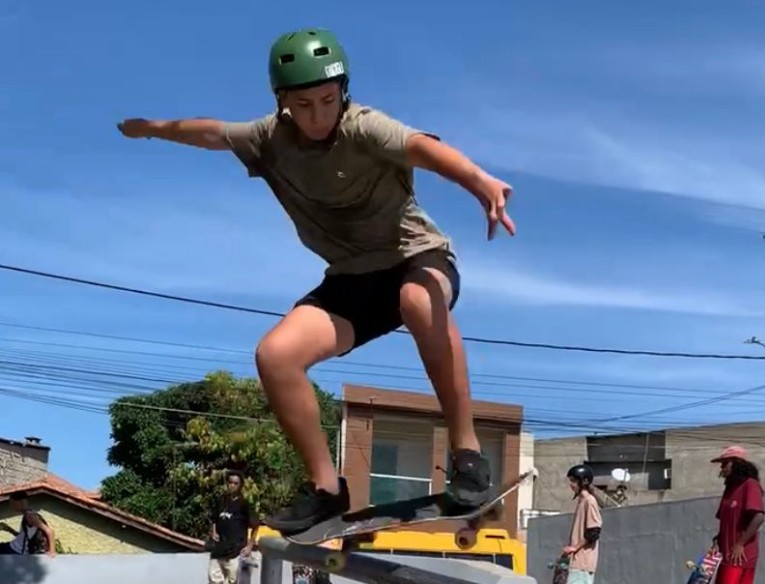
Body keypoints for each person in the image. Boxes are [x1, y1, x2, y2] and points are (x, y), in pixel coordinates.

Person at [117, 27, 515, 535]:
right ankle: (326, 489)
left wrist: (478, 181)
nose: (318, 115)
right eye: (304, 105)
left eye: (328, 100)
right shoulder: (268, 138)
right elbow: (213, 133)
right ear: (282, 102)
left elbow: (422, 149)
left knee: (417, 301)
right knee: (275, 355)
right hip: (352, 280)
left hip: (418, 259)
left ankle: (466, 453)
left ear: (342, 93)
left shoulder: (365, 126)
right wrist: (154, 128)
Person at [710, 446, 765, 584]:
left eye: (725, 463)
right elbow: (727, 524)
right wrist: (717, 541)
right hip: (727, 555)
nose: (722, 468)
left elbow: (758, 517)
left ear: (737, 463)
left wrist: (740, 544)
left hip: (740, 556)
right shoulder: (729, 490)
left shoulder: (750, 485)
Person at [207, 470, 258, 584]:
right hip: (218, 550)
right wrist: (214, 532)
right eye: (230, 482)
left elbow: (255, 526)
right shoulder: (221, 501)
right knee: (213, 579)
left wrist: (250, 545)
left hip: (235, 551)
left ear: (240, 486)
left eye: (236, 483)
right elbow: (214, 519)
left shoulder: (244, 504)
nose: (232, 485)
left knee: (232, 581)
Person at [561, 465, 602, 584]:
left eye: (574, 481)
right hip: (576, 563)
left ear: (583, 481)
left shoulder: (589, 501)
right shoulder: (582, 501)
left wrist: (574, 547)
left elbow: (594, 531)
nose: (571, 485)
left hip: (582, 564)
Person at [0, 491, 56, 556]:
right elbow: (24, 538)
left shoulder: (30, 516)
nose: (11, 506)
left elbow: (50, 531)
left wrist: (52, 552)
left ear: (18, 503)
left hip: (16, 551)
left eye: (12, 503)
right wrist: (8, 529)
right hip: (13, 546)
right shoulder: (30, 514)